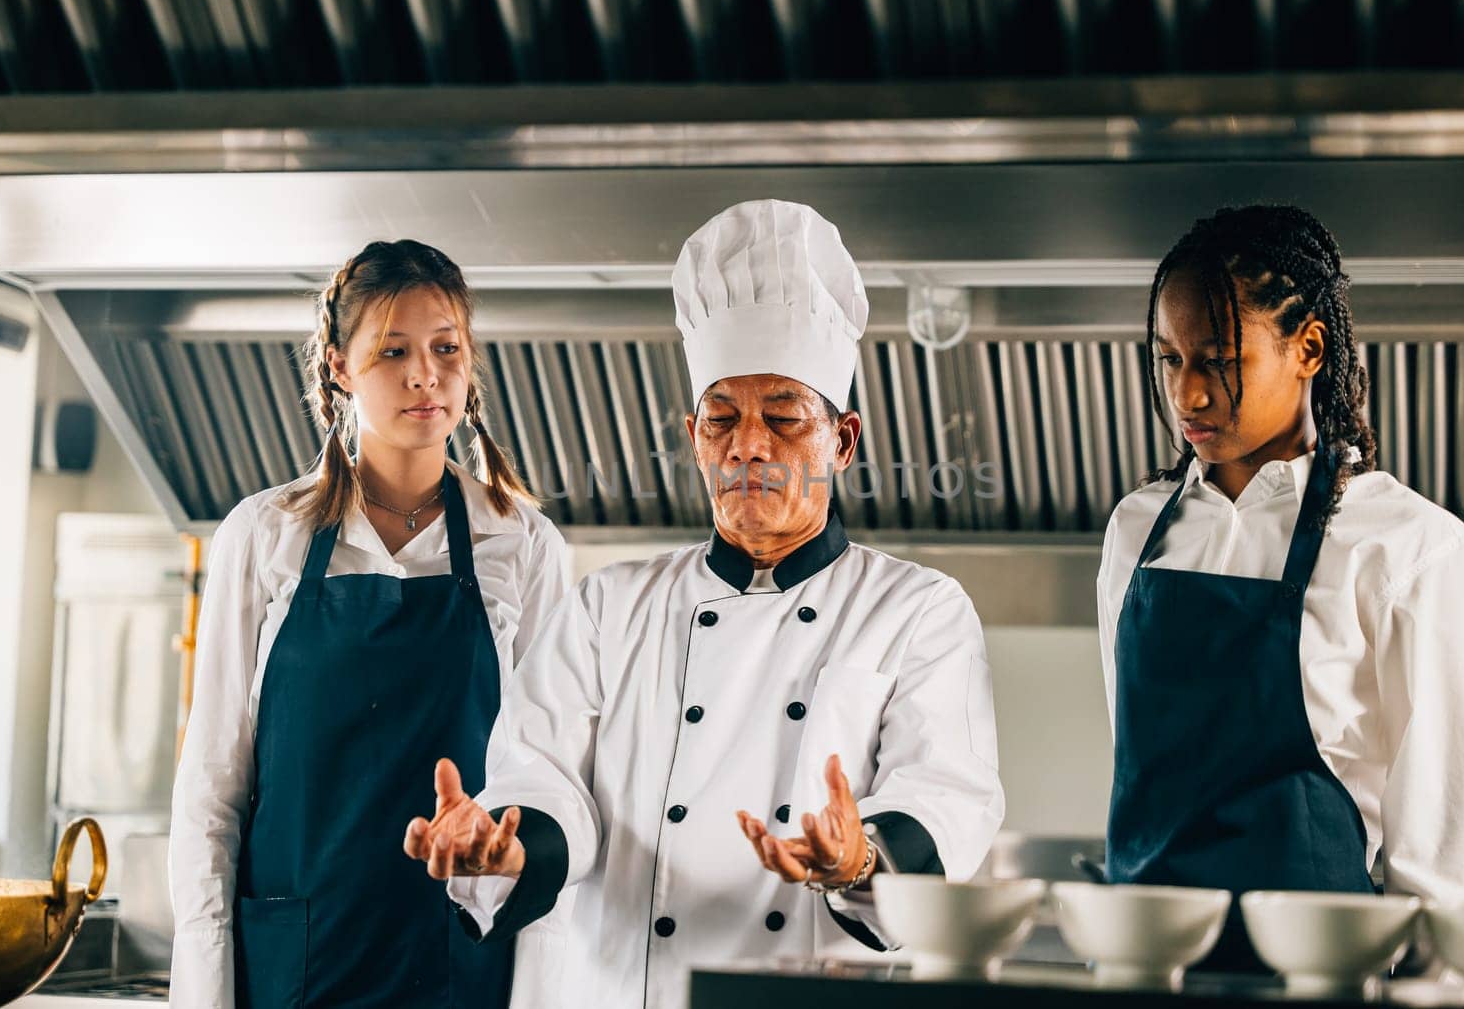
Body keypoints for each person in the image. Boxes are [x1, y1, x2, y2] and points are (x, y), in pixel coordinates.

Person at [403, 199, 1005, 1007]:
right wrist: (503, 844)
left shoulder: (916, 609)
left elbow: (944, 796)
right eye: (721, 418)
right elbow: (543, 782)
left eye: (784, 417)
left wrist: (858, 856)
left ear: (845, 440)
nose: (747, 444)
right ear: (693, 437)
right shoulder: (607, 605)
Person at [1098, 205, 1464, 967]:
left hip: (1320, 981)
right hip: (1142, 973)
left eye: (1218, 360)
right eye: (1167, 358)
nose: (1187, 394)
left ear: (1309, 348)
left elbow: (1451, 878)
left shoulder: (1411, 550)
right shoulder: (1136, 531)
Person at [169, 240, 571, 1007]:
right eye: (393, 350)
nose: (426, 373)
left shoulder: (521, 544)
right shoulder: (262, 536)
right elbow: (212, 790)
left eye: (445, 347)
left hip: (458, 967)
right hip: (295, 968)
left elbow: (549, 791)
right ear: (340, 366)